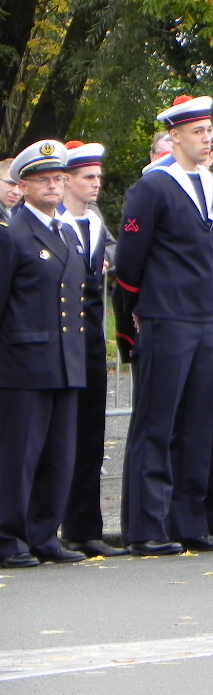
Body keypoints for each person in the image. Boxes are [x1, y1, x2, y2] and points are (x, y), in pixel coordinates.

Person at [115, 95, 213, 555]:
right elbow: (129, 262)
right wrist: (139, 310)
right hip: (166, 315)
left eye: (209, 132)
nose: (207, 140)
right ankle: (147, 526)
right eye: (198, 132)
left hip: (205, 318)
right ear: (176, 136)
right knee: (157, 423)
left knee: (198, 423)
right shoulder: (153, 187)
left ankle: (190, 520)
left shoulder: (210, 185)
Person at [0, 140, 87, 567]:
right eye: (42, 179)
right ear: (23, 185)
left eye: (58, 178)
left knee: (58, 454)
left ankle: (43, 536)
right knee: (20, 456)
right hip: (22, 362)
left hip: (64, 360)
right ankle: (8, 538)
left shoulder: (65, 231)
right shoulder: (12, 235)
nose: (53, 186)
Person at [55, 141, 129, 557]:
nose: (97, 184)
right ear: (66, 180)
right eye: (89, 178)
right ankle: (51, 527)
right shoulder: (57, 222)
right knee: (58, 439)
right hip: (61, 342)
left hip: (90, 341)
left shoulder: (95, 223)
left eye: (98, 177)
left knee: (90, 438)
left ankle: (86, 528)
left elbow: (110, 258)